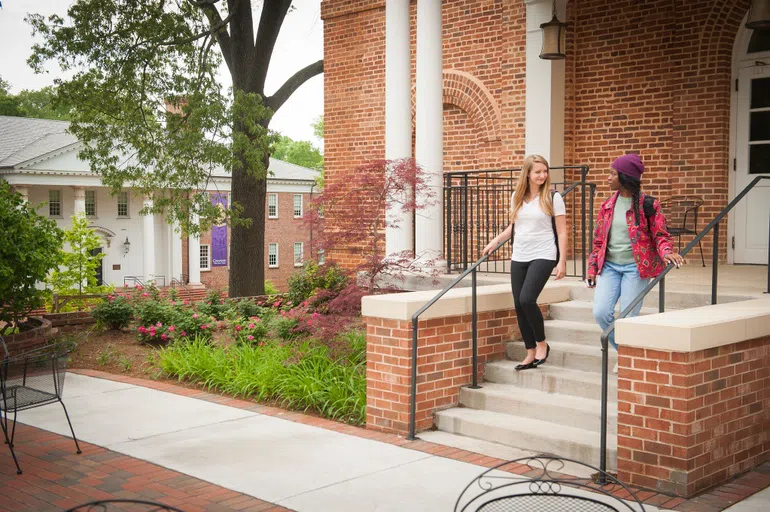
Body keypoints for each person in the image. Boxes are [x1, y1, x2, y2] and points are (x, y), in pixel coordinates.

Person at [586, 153, 684, 372]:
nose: (608, 177)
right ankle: (625, 353)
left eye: (613, 173)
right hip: (609, 266)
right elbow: (599, 240)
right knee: (601, 312)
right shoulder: (607, 205)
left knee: (629, 318)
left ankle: (628, 360)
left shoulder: (648, 205)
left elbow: (660, 235)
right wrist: (592, 268)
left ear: (625, 177)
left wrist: (667, 252)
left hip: (635, 268)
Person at [482, 154, 567, 371]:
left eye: (545, 171)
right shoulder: (517, 197)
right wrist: (496, 240)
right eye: (538, 172)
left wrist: (562, 261)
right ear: (527, 174)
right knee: (519, 305)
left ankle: (541, 343)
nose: (542, 175)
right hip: (519, 254)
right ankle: (530, 352)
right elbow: (516, 227)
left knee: (527, 299)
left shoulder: (553, 197)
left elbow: (562, 231)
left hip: (544, 253)